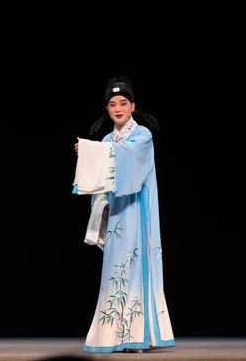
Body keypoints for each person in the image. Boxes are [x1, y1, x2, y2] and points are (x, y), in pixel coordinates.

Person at [71, 76, 175, 353]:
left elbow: (128, 159)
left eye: (123, 103)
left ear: (133, 106)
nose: (118, 108)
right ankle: (115, 333)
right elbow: (101, 174)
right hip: (116, 213)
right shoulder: (107, 139)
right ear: (107, 109)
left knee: (136, 266)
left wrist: (92, 149)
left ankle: (137, 334)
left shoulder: (142, 136)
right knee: (115, 272)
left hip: (137, 211)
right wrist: (100, 208)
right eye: (112, 104)